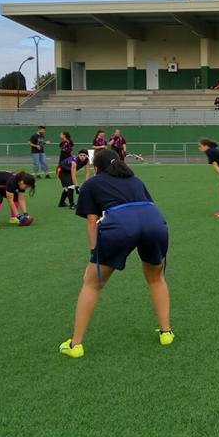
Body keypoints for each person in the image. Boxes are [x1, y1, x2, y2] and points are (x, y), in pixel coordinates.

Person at [59, 149, 173, 359]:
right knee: (156, 278)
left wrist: (95, 252)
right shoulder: (135, 180)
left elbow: (92, 221)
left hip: (122, 224)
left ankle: (76, 345)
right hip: (155, 221)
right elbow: (146, 206)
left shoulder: (92, 184)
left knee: (91, 283)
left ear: (96, 167)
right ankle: (166, 332)